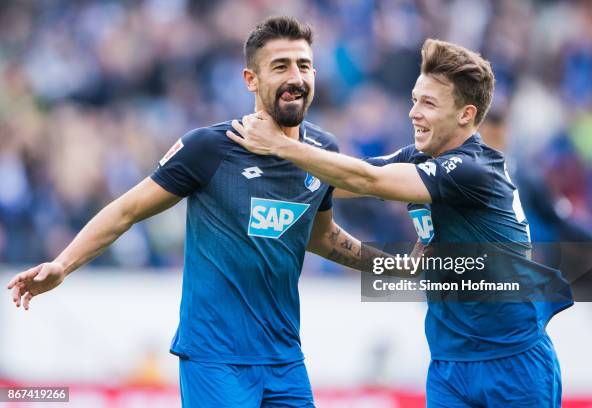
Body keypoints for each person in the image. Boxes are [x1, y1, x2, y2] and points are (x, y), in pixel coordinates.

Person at [7, 16, 365, 407]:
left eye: (304, 65)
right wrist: (63, 264)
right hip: (215, 360)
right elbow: (126, 210)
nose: (295, 77)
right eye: (281, 66)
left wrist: (396, 266)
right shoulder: (210, 147)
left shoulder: (322, 152)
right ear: (250, 79)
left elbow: (322, 235)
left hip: (286, 360)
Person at [228, 39, 574, 407]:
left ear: (465, 114)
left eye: (428, 103)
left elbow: (369, 181)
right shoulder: (418, 157)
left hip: (513, 364)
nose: (413, 113)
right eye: (413, 99)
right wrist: (254, 170)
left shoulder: (476, 169)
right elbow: (342, 182)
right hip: (449, 366)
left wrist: (283, 147)